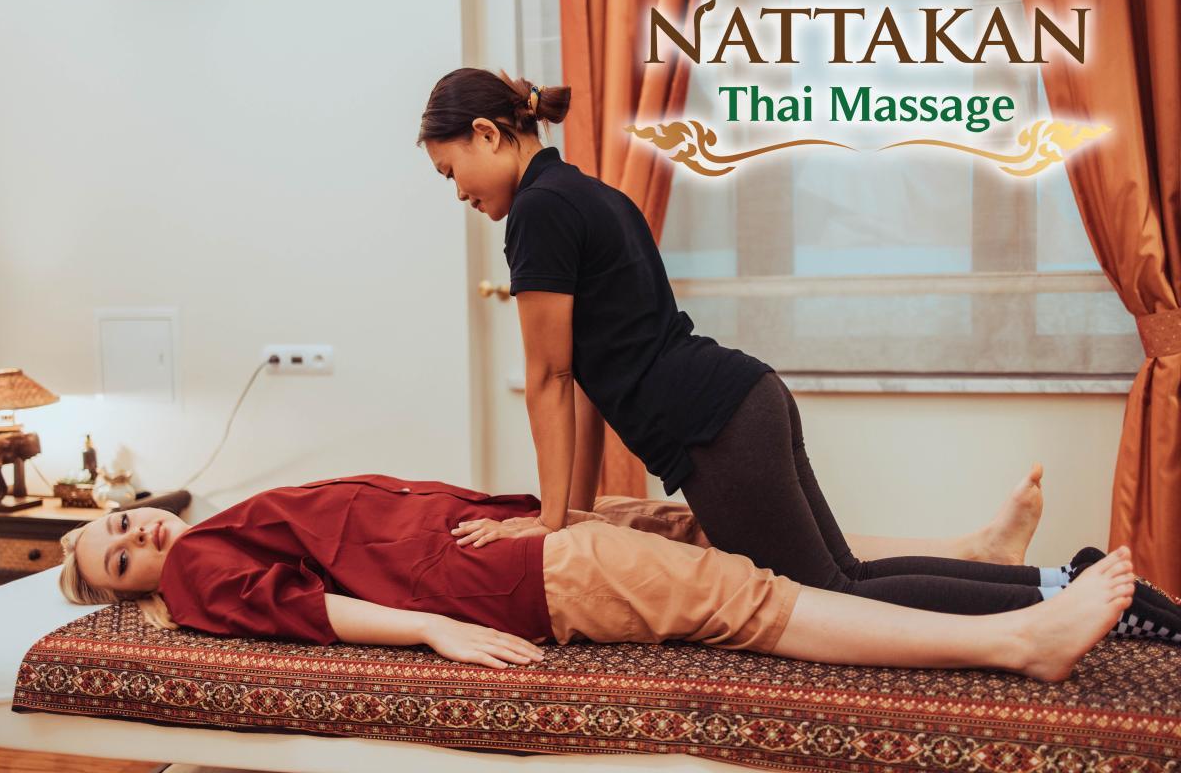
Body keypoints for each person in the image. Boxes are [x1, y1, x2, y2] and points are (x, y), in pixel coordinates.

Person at [415, 68, 1097, 619]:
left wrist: (549, 520)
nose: (456, 195)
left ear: (487, 133)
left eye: (451, 173)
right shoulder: (590, 194)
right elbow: (587, 381)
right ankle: (1031, 576)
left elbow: (551, 377)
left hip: (714, 425)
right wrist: (570, 511)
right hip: (742, 397)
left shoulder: (538, 212)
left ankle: (1061, 597)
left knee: (833, 595)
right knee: (844, 575)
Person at [58, 473, 1180, 683]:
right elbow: (309, 611)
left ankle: (979, 564)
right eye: (116, 557)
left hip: (522, 536)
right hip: (522, 578)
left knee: (776, 550)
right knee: (757, 599)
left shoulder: (222, 519)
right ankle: (1010, 636)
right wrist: (431, 634)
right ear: (125, 589)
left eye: (118, 522)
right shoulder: (202, 568)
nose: (130, 535)